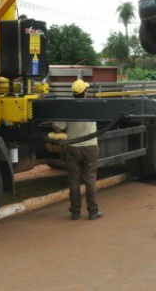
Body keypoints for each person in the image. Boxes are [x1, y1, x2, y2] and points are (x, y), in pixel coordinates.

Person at [56, 79, 103, 220]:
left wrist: (54, 124)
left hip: (73, 149)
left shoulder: (67, 108)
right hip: (90, 148)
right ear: (85, 93)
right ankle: (93, 212)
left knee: (74, 180)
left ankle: (75, 212)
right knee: (90, 180)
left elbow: (59, 128)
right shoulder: (93, 107)